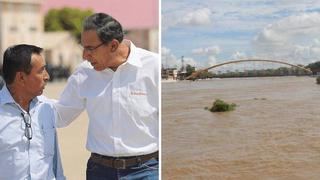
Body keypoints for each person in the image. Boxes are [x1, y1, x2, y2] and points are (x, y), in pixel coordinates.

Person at [55, 13, 159, 179]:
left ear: (113, 45)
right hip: (99, 172)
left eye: (90, 48)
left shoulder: (153, 66)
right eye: (83, 47)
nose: (84, 55)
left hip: (147, 171)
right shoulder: (84, 73)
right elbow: (60, 115)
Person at [0, 44, 65, 180]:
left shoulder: (47, 107)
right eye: (41, 71)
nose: (47, 76)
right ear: (21, 77)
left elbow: (55, 163)